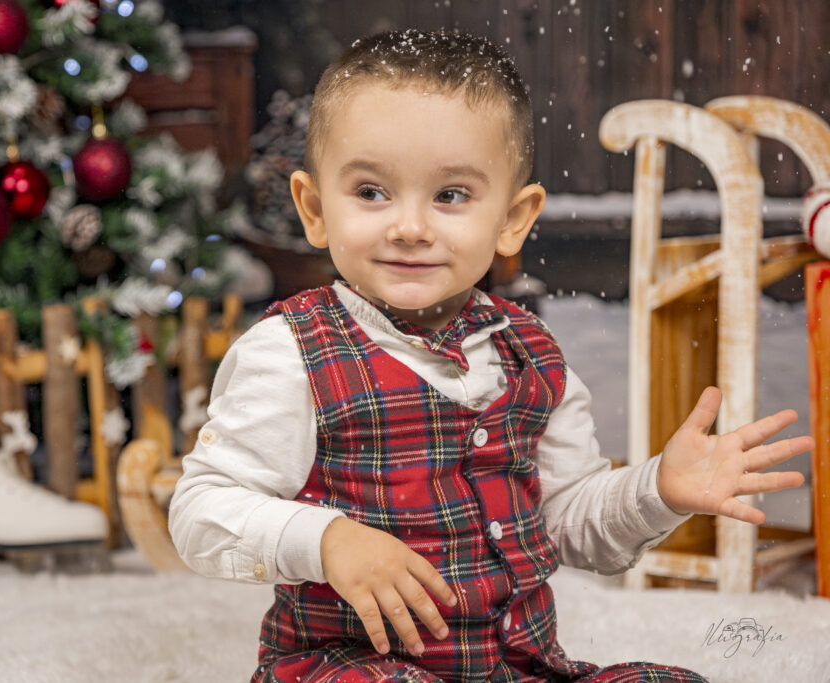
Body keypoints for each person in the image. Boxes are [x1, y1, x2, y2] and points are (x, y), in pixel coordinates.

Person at [168, 29, 811, 682]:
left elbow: (568, 522)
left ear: (512, 218)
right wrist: (326, 539)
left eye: (450, 196)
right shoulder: (292, 352)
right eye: (370, 191)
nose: (409, 226)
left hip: (514, 668)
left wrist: (658, 491)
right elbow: (200, 512)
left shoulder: (529, 351)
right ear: (313, 208)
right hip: (350, 666)